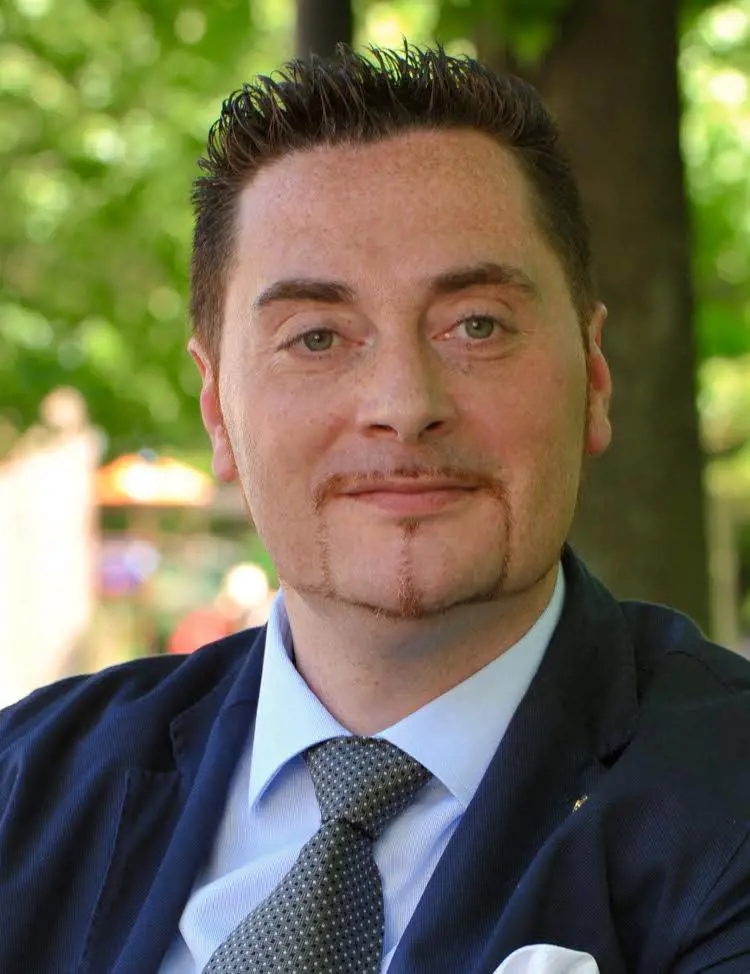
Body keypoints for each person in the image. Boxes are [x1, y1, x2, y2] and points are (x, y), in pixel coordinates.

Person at [1, 44, 749, 974]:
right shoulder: (25, 789)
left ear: (595, 378)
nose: (404, 402)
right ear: (217, 410)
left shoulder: (728, 796)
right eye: (317, 337)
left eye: (477, 325)